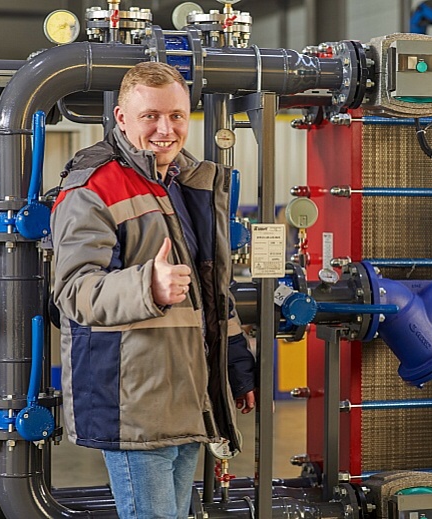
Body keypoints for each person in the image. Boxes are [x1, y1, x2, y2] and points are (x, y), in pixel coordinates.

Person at [51, 61, 256, 519]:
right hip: (135, 403)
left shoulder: (190, 181)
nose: (166, 130)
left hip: (188, 395)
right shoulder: (93, 187)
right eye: (151, 116)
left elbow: (211, 291)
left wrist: (236, 365)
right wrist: (148, 285)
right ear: (122, 118)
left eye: (177, 115)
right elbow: (73, 291)